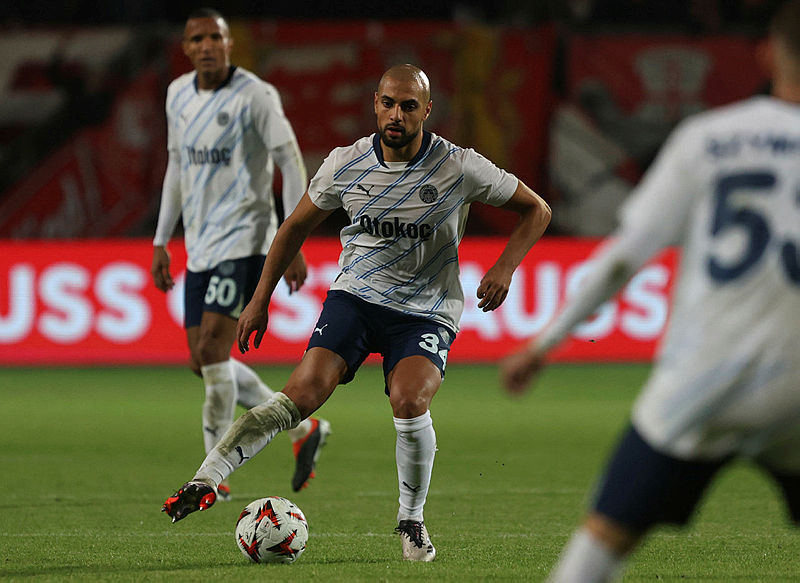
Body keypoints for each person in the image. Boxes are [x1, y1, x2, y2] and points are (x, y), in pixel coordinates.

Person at [162, 63, 552, 561]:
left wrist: (505, 267)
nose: (397, 114)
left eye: (409, 106)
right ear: (375, 103)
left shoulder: (459, 165)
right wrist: (259, 300)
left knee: (409, 401)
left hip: (425, 310)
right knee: (299, 395)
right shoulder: (345, 163)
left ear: (426, 112)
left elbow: (537, 209)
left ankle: (411, 520)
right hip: (356, 298)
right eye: (389, 102)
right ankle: (204, 480)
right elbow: (292, 228)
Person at [501, 1, 800, 580]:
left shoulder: (709, 139)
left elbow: (623, 259)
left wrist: (543, 344)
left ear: (766, 53)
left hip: (706, 380)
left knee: (604, 539)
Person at [151, 8, 330, 498]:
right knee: (201, 359)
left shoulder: (256, 95)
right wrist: (161, 240)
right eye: (197, 38)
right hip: (201, 245)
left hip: (248, 239)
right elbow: (176, 168)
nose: (207, 45)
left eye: (216, 37)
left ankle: (212, 472)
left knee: (212, 349)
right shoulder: (177, 95)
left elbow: (290, 160)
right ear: (186, 48)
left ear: (229, 43)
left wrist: (292, 239)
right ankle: (302, 429)